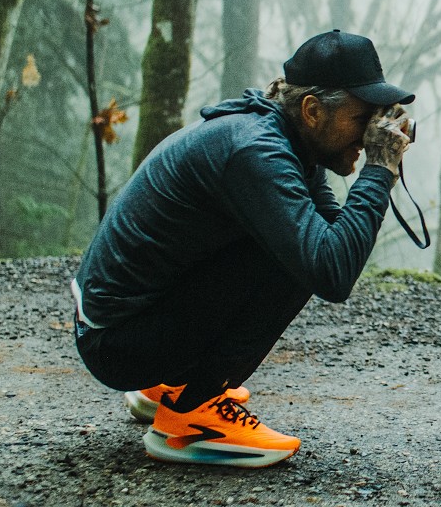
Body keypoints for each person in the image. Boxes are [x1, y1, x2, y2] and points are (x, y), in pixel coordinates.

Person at [72, 29, 415, 467]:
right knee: (294, 257)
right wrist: (379, 168)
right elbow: (331, 270)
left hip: (119, 326)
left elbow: (336, 239)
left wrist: (376, 168)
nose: (371, 133)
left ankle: (171, 384)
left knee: (301, 240)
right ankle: (190, 413)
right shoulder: (255, 151)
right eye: (363, 118)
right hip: (117, 343)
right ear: (312, 110)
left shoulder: (281, 138)